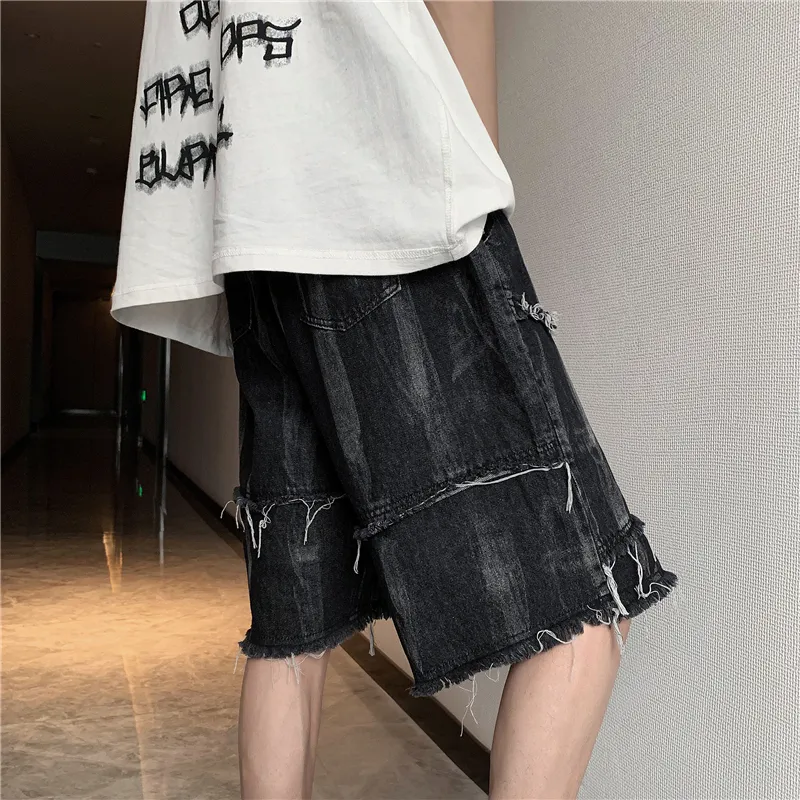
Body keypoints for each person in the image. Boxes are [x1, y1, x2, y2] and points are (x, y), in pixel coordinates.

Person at [111, 1, 678, 797]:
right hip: (382, 198)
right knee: (590, 590)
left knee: (294, 627)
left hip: (256, 239)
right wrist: (472, 185)